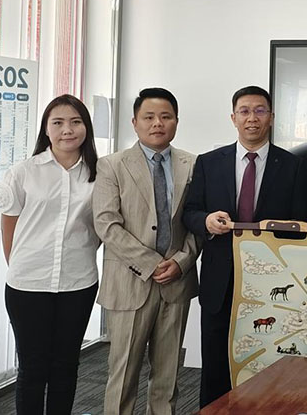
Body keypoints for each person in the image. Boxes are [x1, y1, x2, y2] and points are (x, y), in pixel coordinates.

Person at [182, 85, 305, 408]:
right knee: (215, 365)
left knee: (268, 363)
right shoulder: (209, 163)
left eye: (260, 111)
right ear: (233, 117)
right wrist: (206, 221)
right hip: (220, 281)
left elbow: (302, 225)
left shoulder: (293, 166)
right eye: (245, 111)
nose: (252, 118)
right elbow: (190, 212)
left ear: (272, 117)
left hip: (271, 282)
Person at [92, 88, 199, 415]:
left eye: (165, 117)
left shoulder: (193, 165)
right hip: (130, 283)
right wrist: (152, 264)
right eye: (149, 117)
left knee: (168, 376)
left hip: (176, 282)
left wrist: (181, 262)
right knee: (123, 374)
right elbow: (107, 224)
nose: (157, 124)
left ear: (177, 121)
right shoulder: (112, 166)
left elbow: (197, 222)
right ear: (135, 122)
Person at [0, 94, 100, 415]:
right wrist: (20, 265)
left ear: (86, 127)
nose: (67, 130)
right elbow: (9, 227)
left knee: (66, 366)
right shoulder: (24, 172)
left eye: (75, 122)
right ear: (46, 129)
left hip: (78, 283)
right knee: (32, 369)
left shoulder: (100, 174)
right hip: (28, 284)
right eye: (58, 123)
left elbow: (102, 226)